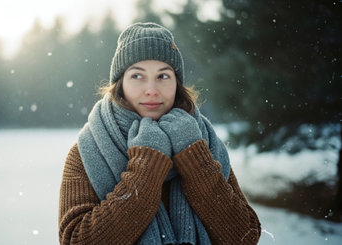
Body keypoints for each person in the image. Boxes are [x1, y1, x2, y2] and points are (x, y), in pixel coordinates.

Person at [58, 22, 261, 245]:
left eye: (163, 76)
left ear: (177, 84)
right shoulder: (88, 150)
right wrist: (147, 166)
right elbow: (75, 241)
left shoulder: (204, 141)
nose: (152, 90)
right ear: (120, 84)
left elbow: (246, 236)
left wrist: (194, 158)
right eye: (137, 76)